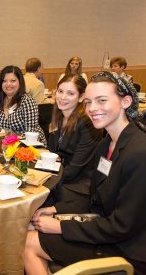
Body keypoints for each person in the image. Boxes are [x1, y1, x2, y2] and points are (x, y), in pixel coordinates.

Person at [24, 71, 146, 275]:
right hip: (108, 232)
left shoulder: (141, 153)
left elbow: (122, 226)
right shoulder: (105, 145)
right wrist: (56, 209)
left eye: (101, 101)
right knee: (30, 228)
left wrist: (60, 227)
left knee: (29, 243)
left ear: (126, 101)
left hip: (129, 250)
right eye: (89, 102)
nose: (92, 109)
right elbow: (95, 200)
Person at [47, 74, 102, 206]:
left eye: (70, 93)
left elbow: (76, 167)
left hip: (78, 186)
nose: (63, 97)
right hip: (60, 176)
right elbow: (51, 153)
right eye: (60, 91)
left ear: (81, 97)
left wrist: (47, 181)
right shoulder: (59, 116)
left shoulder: (88, 123)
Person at [0, 65, 46, 145]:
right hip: (5, 146)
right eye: (4, 81)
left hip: (30, 146)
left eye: (13, 81)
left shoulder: (27, 101)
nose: (8, 84)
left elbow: (30, 132)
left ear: (20, 82)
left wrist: (10, 141)